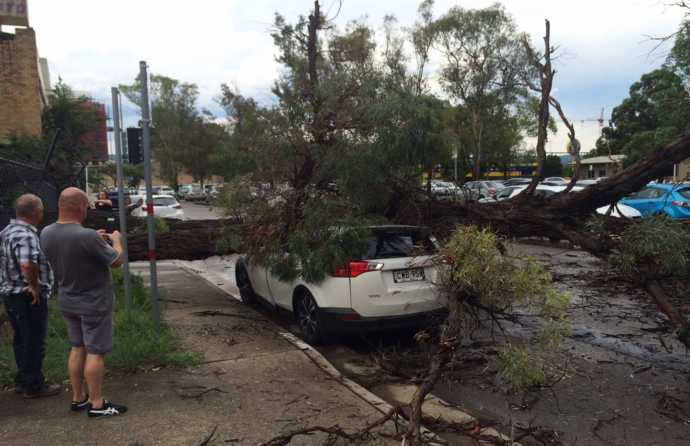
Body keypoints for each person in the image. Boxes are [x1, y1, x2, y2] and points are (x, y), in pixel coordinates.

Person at [41, 188, 127, 418]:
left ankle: (78, 397)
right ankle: (97, 404)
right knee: (95, 351)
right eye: (86, 206)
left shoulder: (47, 233)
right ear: (80, 207)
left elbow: (74, 248)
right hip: (94, 303)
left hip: (68, 300)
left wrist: (95, 239)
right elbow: (116, 260)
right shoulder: (86, 236)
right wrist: (116, 240)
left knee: (77, 348)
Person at [0, 194, 60, 398]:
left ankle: (22, 379)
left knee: (22, 338)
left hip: (10, 293)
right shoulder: (26, 235)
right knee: (34, 340)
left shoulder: (7, 231)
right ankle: (34, 385)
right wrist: (34, 287)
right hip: (27, 295)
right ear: (39, 213)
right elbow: (27, 264)